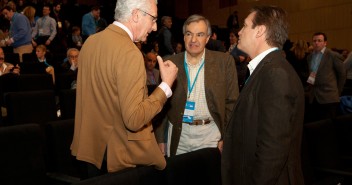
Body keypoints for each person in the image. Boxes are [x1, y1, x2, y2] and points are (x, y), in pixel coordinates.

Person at [70, 0, 178, 177]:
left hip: (90, 153)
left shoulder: (90, 42)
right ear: (136, 15)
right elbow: (134, 119)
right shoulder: (130, 52)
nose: (154, 27)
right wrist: (165, 86)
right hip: (119, 160)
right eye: (153, 19)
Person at [221, 6, 305, 185]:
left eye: (244, 26)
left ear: (260, 31)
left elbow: (272, 150)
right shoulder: (267, 69)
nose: (240, 31)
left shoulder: (275, 74)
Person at [156, 14, 239, 157]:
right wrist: (160, 138)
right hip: (178, 135)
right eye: (189, 34)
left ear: (207, 38)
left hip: (211, 136)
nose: (193, 40)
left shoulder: (224, 62)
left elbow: (232, 103)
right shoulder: (170, 63)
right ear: (183, 37)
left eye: (200, 35)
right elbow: (160, 104)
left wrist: (226, 136)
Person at [306, 32, 346, 122]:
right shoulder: (309, 57)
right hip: (314, 97)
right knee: (316, 125)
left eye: (319, 41)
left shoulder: (332, 55)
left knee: (328, 127)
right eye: (314, 41)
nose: (316, 43)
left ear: (325, 43)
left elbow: (342, 75)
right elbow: (312, 74)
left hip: (329, 97)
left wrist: (337, 92)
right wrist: (309, 87)